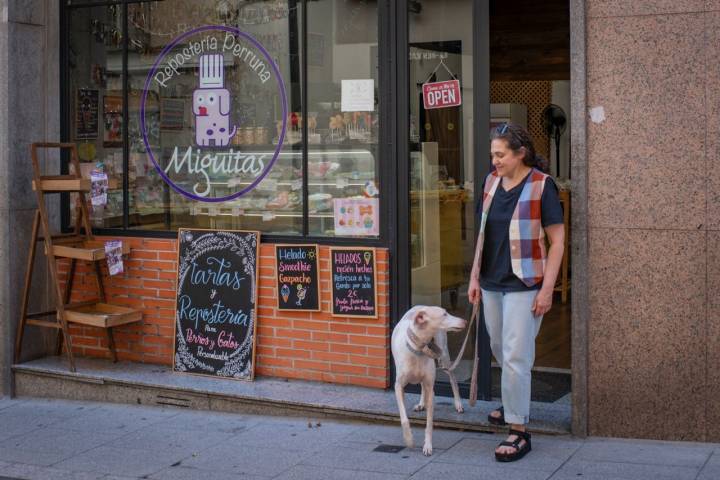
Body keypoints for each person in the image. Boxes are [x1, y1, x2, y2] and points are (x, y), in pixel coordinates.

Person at [468, 123, 564, 462]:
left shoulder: (542, 186)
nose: (494, 161)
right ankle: (513, 406)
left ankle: (519, 430)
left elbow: (557, 241)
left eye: (500, 155)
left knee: (515, 355)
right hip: (491, 283)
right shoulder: (490, 183)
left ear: (520, 153)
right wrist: (474, 276)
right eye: (492, 154)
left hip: (525, 284)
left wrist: (548, 290)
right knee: (499, 348)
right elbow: (482, 233)